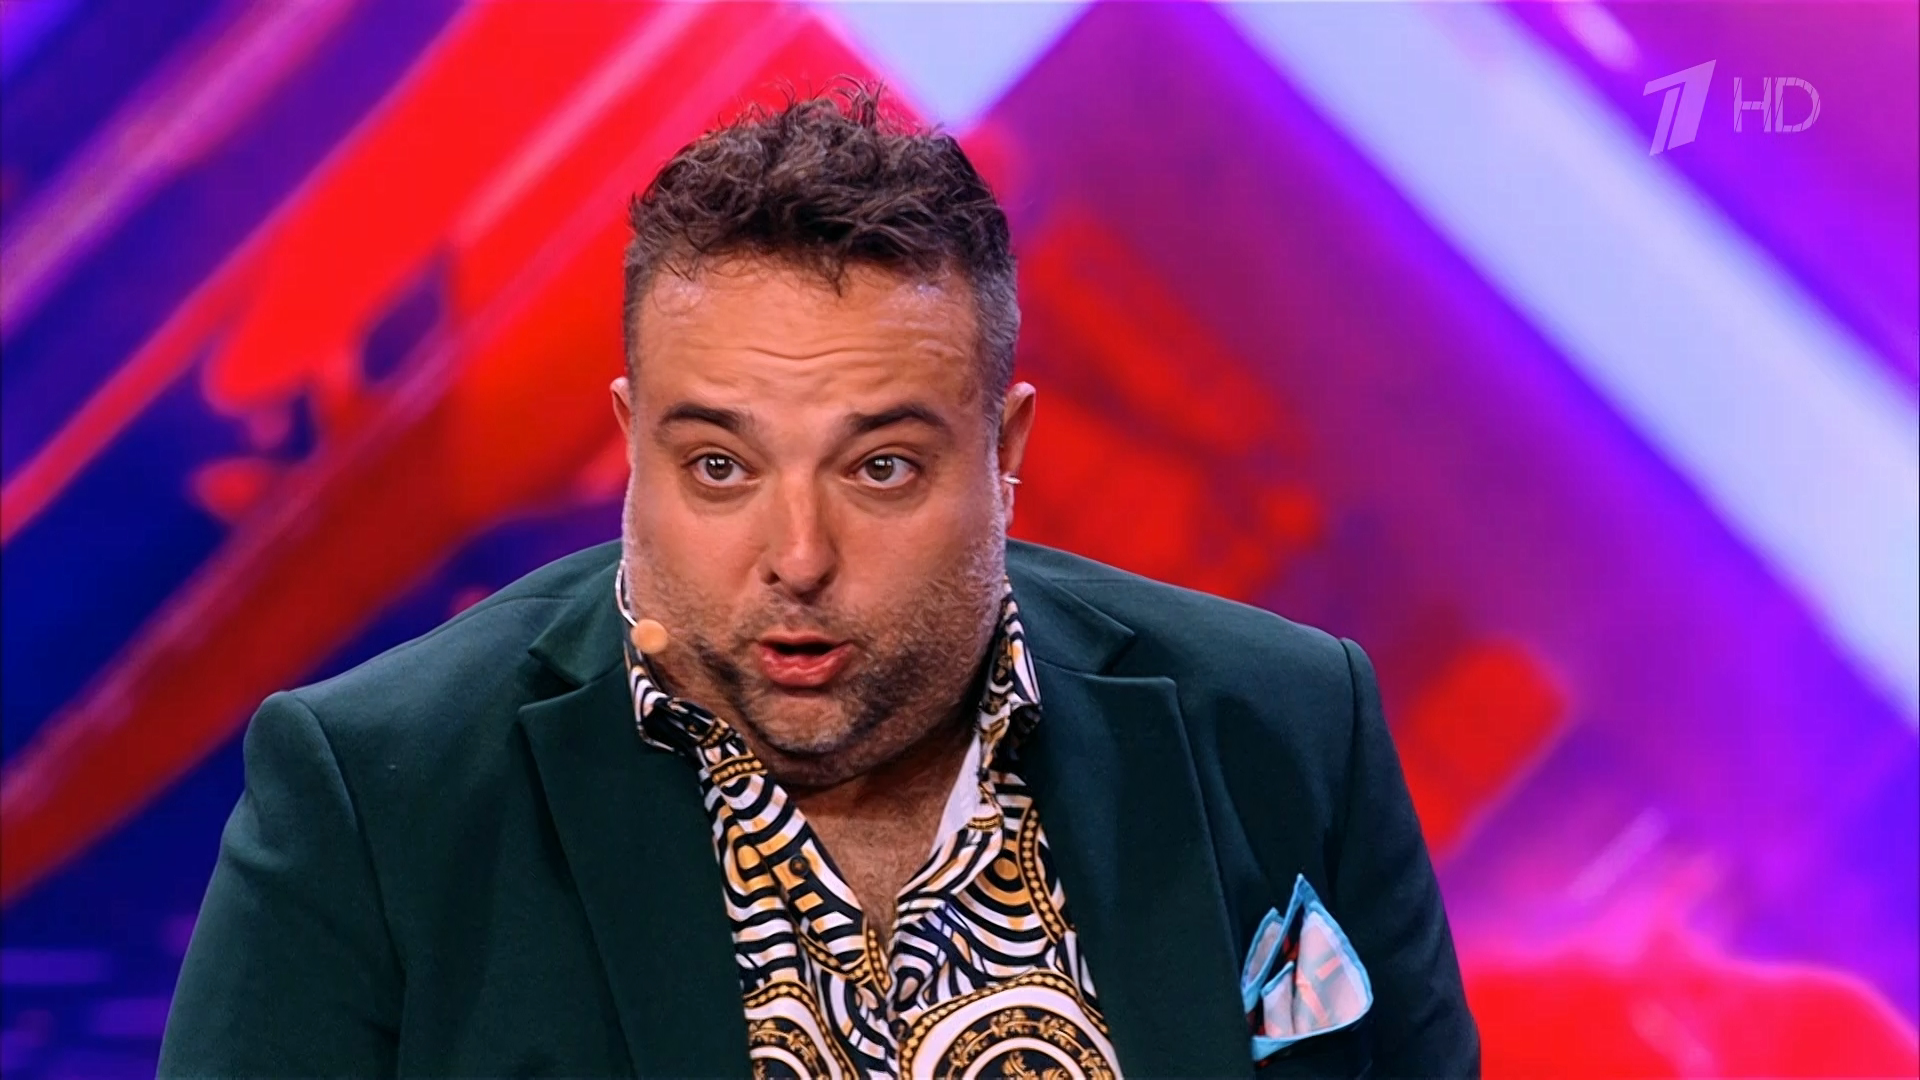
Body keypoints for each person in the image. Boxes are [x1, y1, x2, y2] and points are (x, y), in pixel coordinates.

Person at [159, 84, 1477, 1079]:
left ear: (1004, 454)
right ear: (631, 445)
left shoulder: (1285, 723)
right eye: (720, 468)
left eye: (881, 469)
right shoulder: (379, 796)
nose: (797, 557)